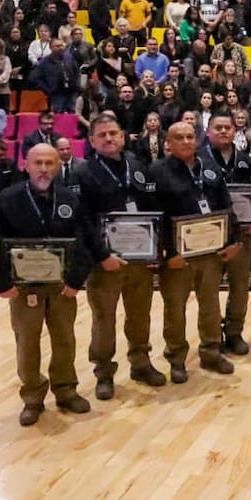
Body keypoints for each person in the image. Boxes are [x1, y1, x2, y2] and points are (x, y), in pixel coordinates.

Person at [0, 143, 94, 426]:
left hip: (61, 287)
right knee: (27, 343)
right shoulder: (9, 198)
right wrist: (2, 283)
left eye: (49, 163)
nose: (43, 169)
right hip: (23, 289)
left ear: (58, 166)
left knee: (65, 340)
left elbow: (84, 241)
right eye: (38, 163)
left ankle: (66, 390)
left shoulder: (69, 198)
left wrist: (75, 280)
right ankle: (32, 397)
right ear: (26, 165)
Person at [74, 114, 166, 398]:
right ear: (91, 141)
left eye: (113, 133)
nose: (108, 138)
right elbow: (82, 222)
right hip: (106, 262)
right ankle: (104, 372)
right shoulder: (83, 172)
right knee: (104, 318)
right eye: (101, 135)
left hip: (140, 258)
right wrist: (102, 256)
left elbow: (153, 207)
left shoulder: (138, 165)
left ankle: (140, 362)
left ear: (123, 136)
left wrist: (155, 247)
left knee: (140, 314)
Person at [149, 122, 242, 383]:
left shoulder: (209, 167)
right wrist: (167, 255)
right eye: (179, 137)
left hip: (211, 252)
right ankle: (176, 358)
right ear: (168, 142)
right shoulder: (158, 171)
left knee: (210, 304)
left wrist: (233, 240)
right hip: (178, 256)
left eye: (190, 136)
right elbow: (155, 218)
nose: (186, 141)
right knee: (175, 309)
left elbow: (226, 205)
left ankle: (211, 351)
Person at [203, 114, 251, 354]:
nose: (224, 131)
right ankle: (212, 337)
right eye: (218, 128)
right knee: (209, 290)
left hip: (240, 235)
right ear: (208, 132)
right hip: (208, 235)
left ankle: (234, 332)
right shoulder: (198, 161)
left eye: (228, 127)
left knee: (239, 286)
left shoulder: (245, 160)